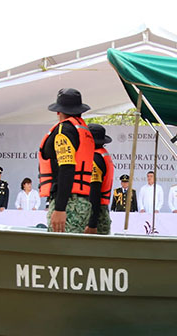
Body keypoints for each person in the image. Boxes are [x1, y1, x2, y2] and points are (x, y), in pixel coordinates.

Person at [37, 88, 95, 233]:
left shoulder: (64, 130)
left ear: (58, 111)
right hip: (81, 201)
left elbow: (67, 167)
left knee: (59, 250)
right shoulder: (83, 130)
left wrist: (60, 208)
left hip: (69, 203)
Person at [86, 124, 114, 235]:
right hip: (102, 209)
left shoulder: (95, 159)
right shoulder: (103, 155)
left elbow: (94, 192)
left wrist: (92, 223)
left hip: (96, 213)